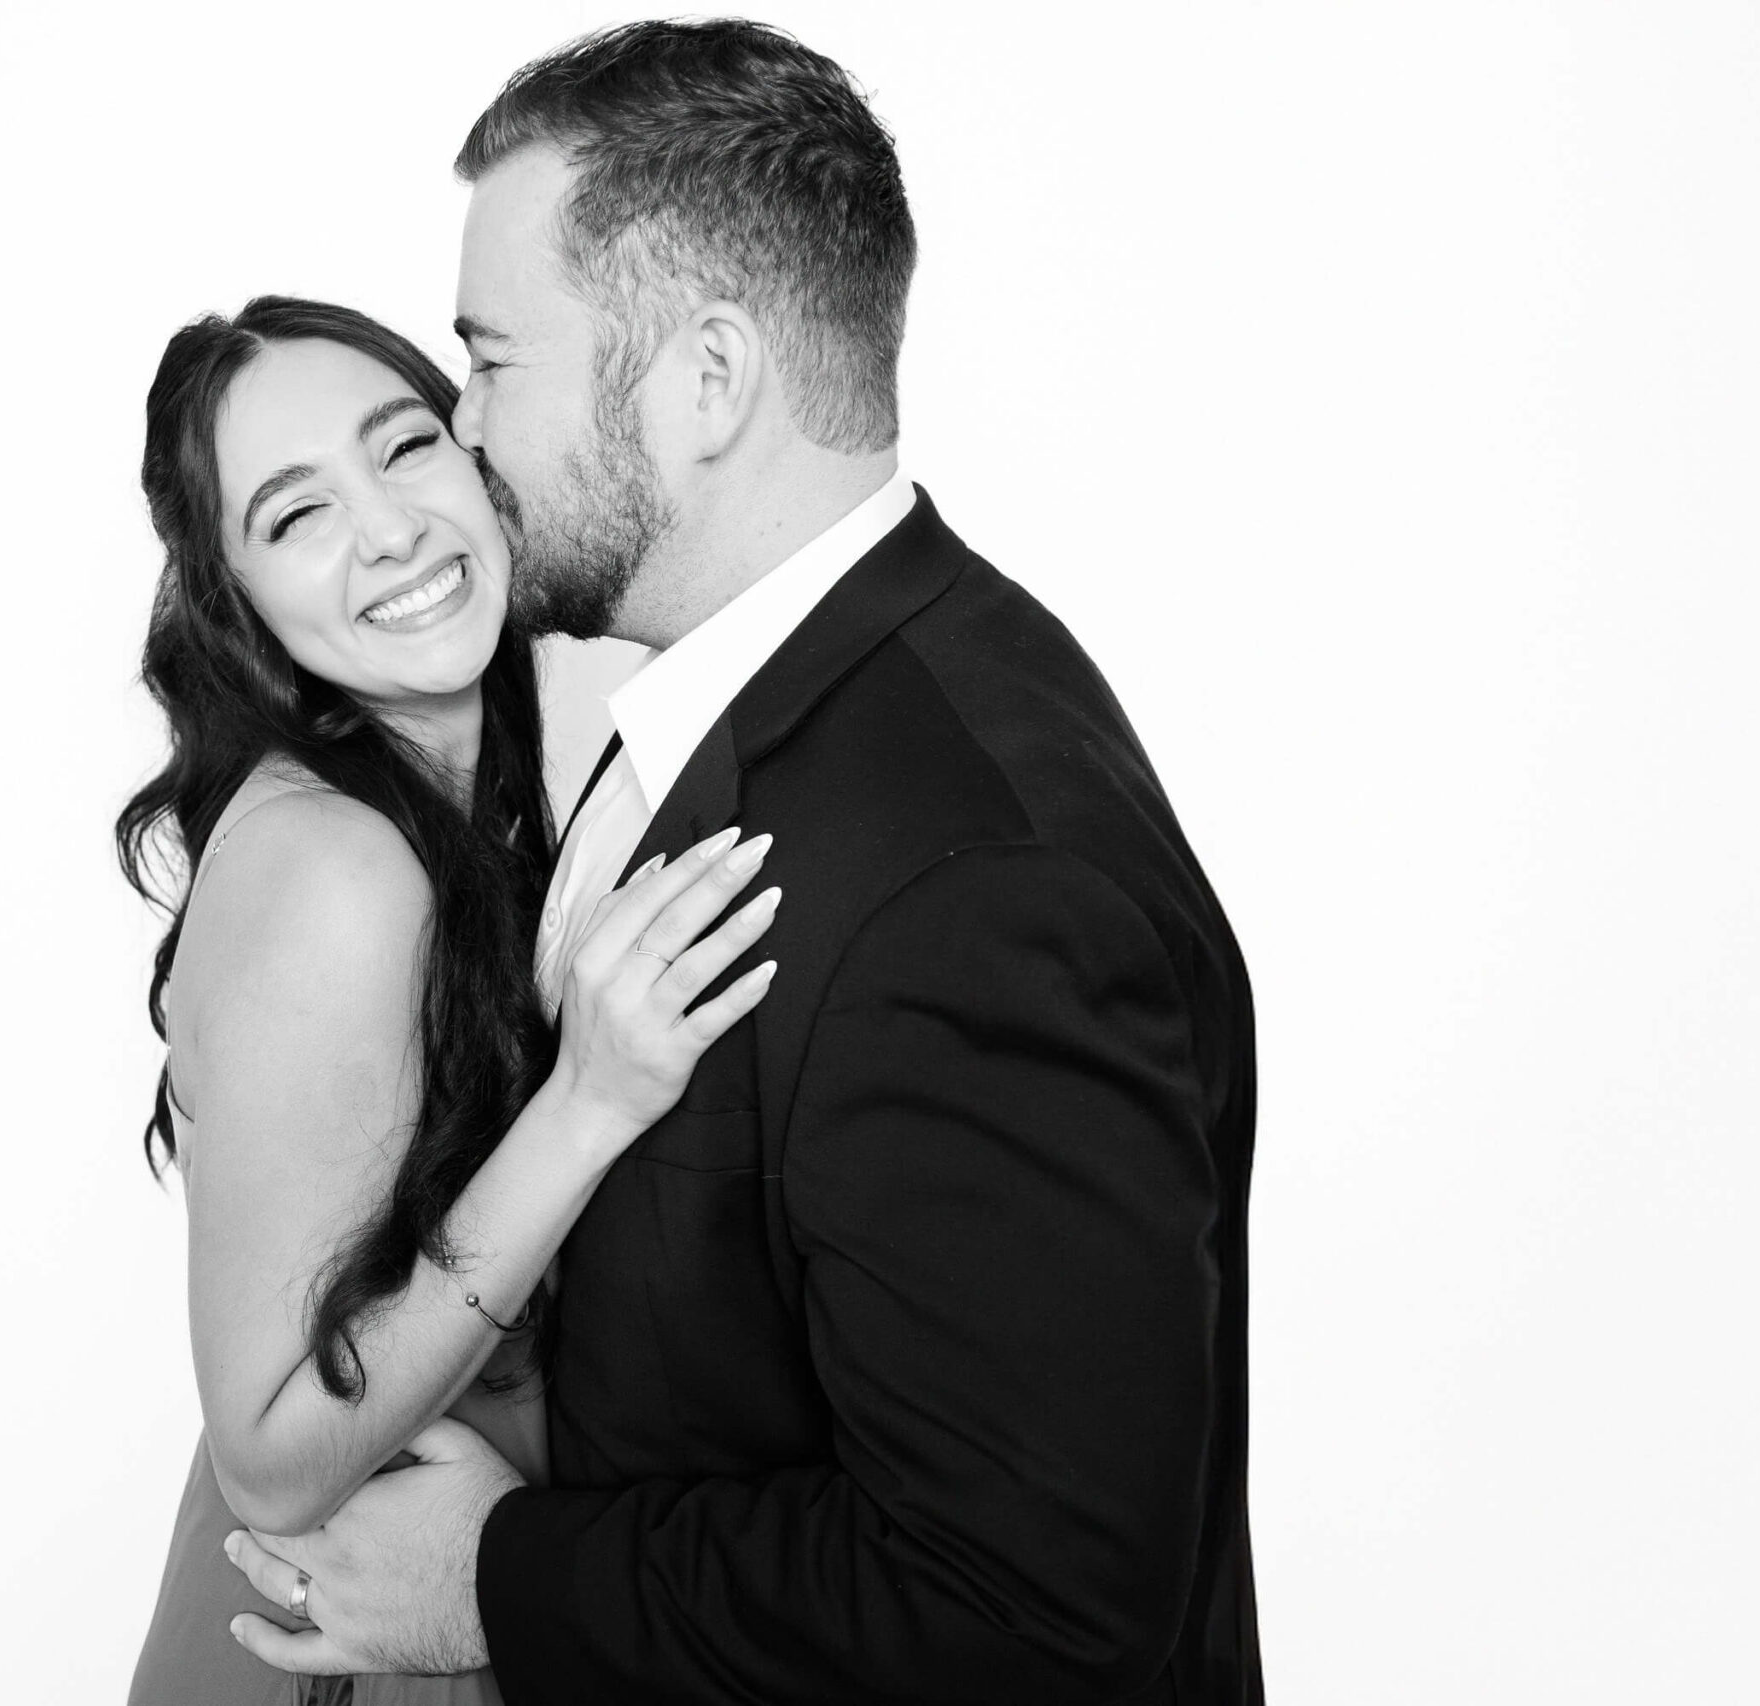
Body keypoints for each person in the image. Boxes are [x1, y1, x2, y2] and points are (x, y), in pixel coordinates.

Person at [225, 22, 1264, 1704]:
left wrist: (500, 1581)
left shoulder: (969, 882)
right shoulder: (767, 695)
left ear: (703, 383)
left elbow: (1028, 1612)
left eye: (492, 363)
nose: (464, 433)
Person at [116, 295, 785, 1705]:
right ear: (240, 607)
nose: (392, 529)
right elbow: (269, 1449)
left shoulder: (466, 800)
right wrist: (589, 1104)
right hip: (344, 1643)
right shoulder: (338, 869)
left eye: (404, 447)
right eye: (296, 516)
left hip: (451, 1601)